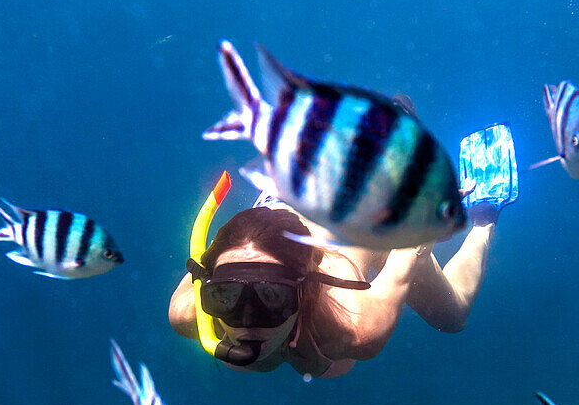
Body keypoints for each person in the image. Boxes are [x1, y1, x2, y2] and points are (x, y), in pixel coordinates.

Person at [168, 121, 516, 379]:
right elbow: (212, 257)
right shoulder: (188, 310)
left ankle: (484, 218)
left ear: (305, 289)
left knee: (451, 317)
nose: (247, 323)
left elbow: (410, 251)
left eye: (272, 297)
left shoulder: (356, 325)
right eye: (225, 296)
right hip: (288, 201)